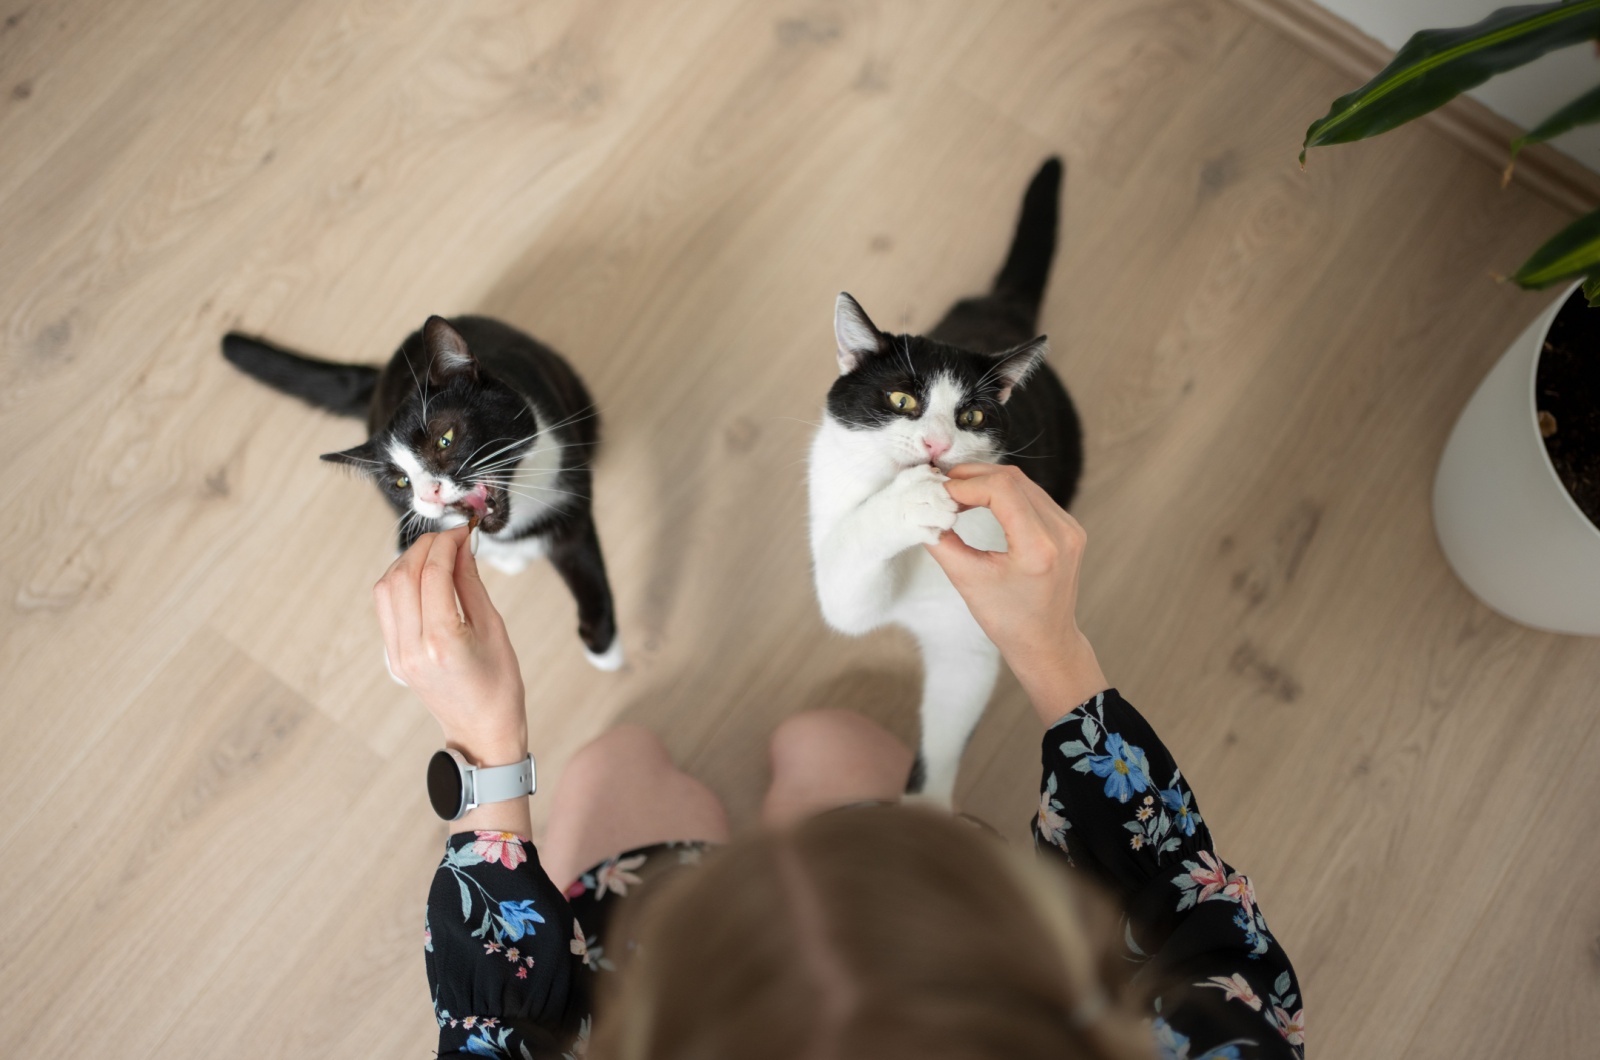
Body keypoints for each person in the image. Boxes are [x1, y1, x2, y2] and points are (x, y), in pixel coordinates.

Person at [374, 464, 1306, 1060]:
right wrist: (1052, 652)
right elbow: (1193, 914)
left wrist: (488, 758)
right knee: (830, 747)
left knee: (622, 764)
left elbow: (494, 1028)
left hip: (632, 956)